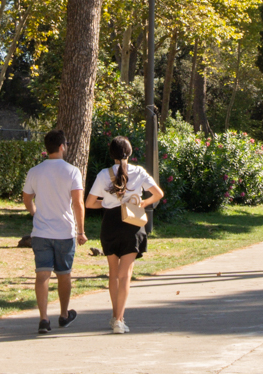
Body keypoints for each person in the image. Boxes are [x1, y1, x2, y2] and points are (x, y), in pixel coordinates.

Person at [88, 135, 164, 334]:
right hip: (132, 224)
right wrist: (142, 203)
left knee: (113, 274)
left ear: (111, 154)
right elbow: (158, 194)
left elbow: (89, 203)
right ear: (129, 153)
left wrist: (107, 203)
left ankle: (115, 317)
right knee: (125, 275)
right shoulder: (139, 172)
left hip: (110, 224)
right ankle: (119, 321)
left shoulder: (103, 174)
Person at [21, 129, 87, 335]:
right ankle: (64, 314)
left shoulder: (35, 171)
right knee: (64, 274)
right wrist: (81, 231)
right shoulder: (72, 171)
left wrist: (34, 212)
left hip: (41, 232)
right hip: (65, 232)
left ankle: (43, 319)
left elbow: (26, 198)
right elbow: (78, 203)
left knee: (42, 275)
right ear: (61, 146)